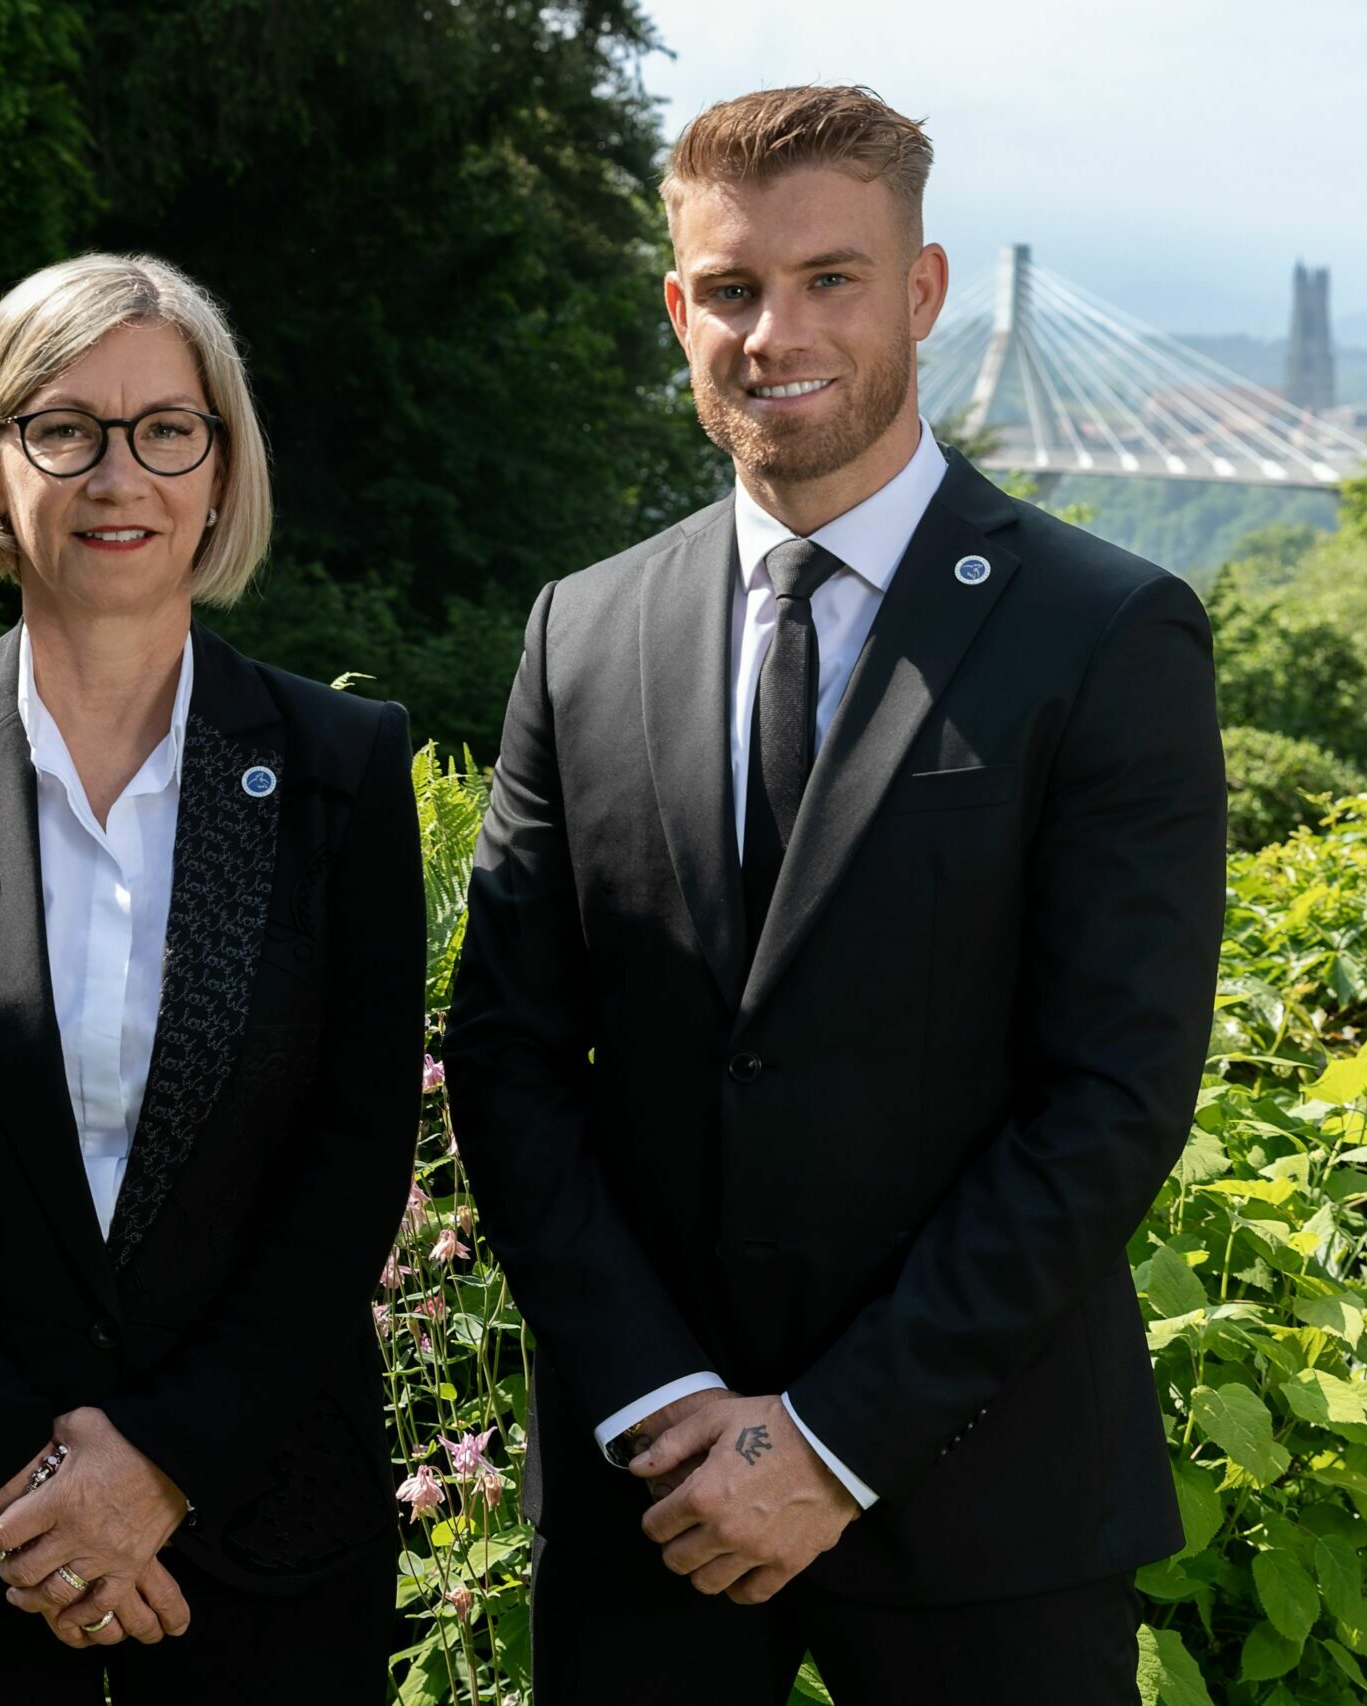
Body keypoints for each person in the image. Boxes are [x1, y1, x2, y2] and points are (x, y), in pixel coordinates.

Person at [443, 86, 1225, 1705]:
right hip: (648, 1501)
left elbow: (1108, 1096)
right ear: (677, 309)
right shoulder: (577, 635)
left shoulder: (1105, 633)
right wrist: (660, 1397)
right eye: (729, 289)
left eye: (828, 278)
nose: (771, 329)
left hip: (987, 1511)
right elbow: (510, 1057)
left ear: (922, 291)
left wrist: (832, 1437)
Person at [0, 252, 424, 1701]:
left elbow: (351, 1155)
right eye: (63, 427)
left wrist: (161, 1467)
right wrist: (31, 1493)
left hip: (263, 1540)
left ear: (217, 468)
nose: (117, 472)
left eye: (164, 428)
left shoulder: (340, 766)